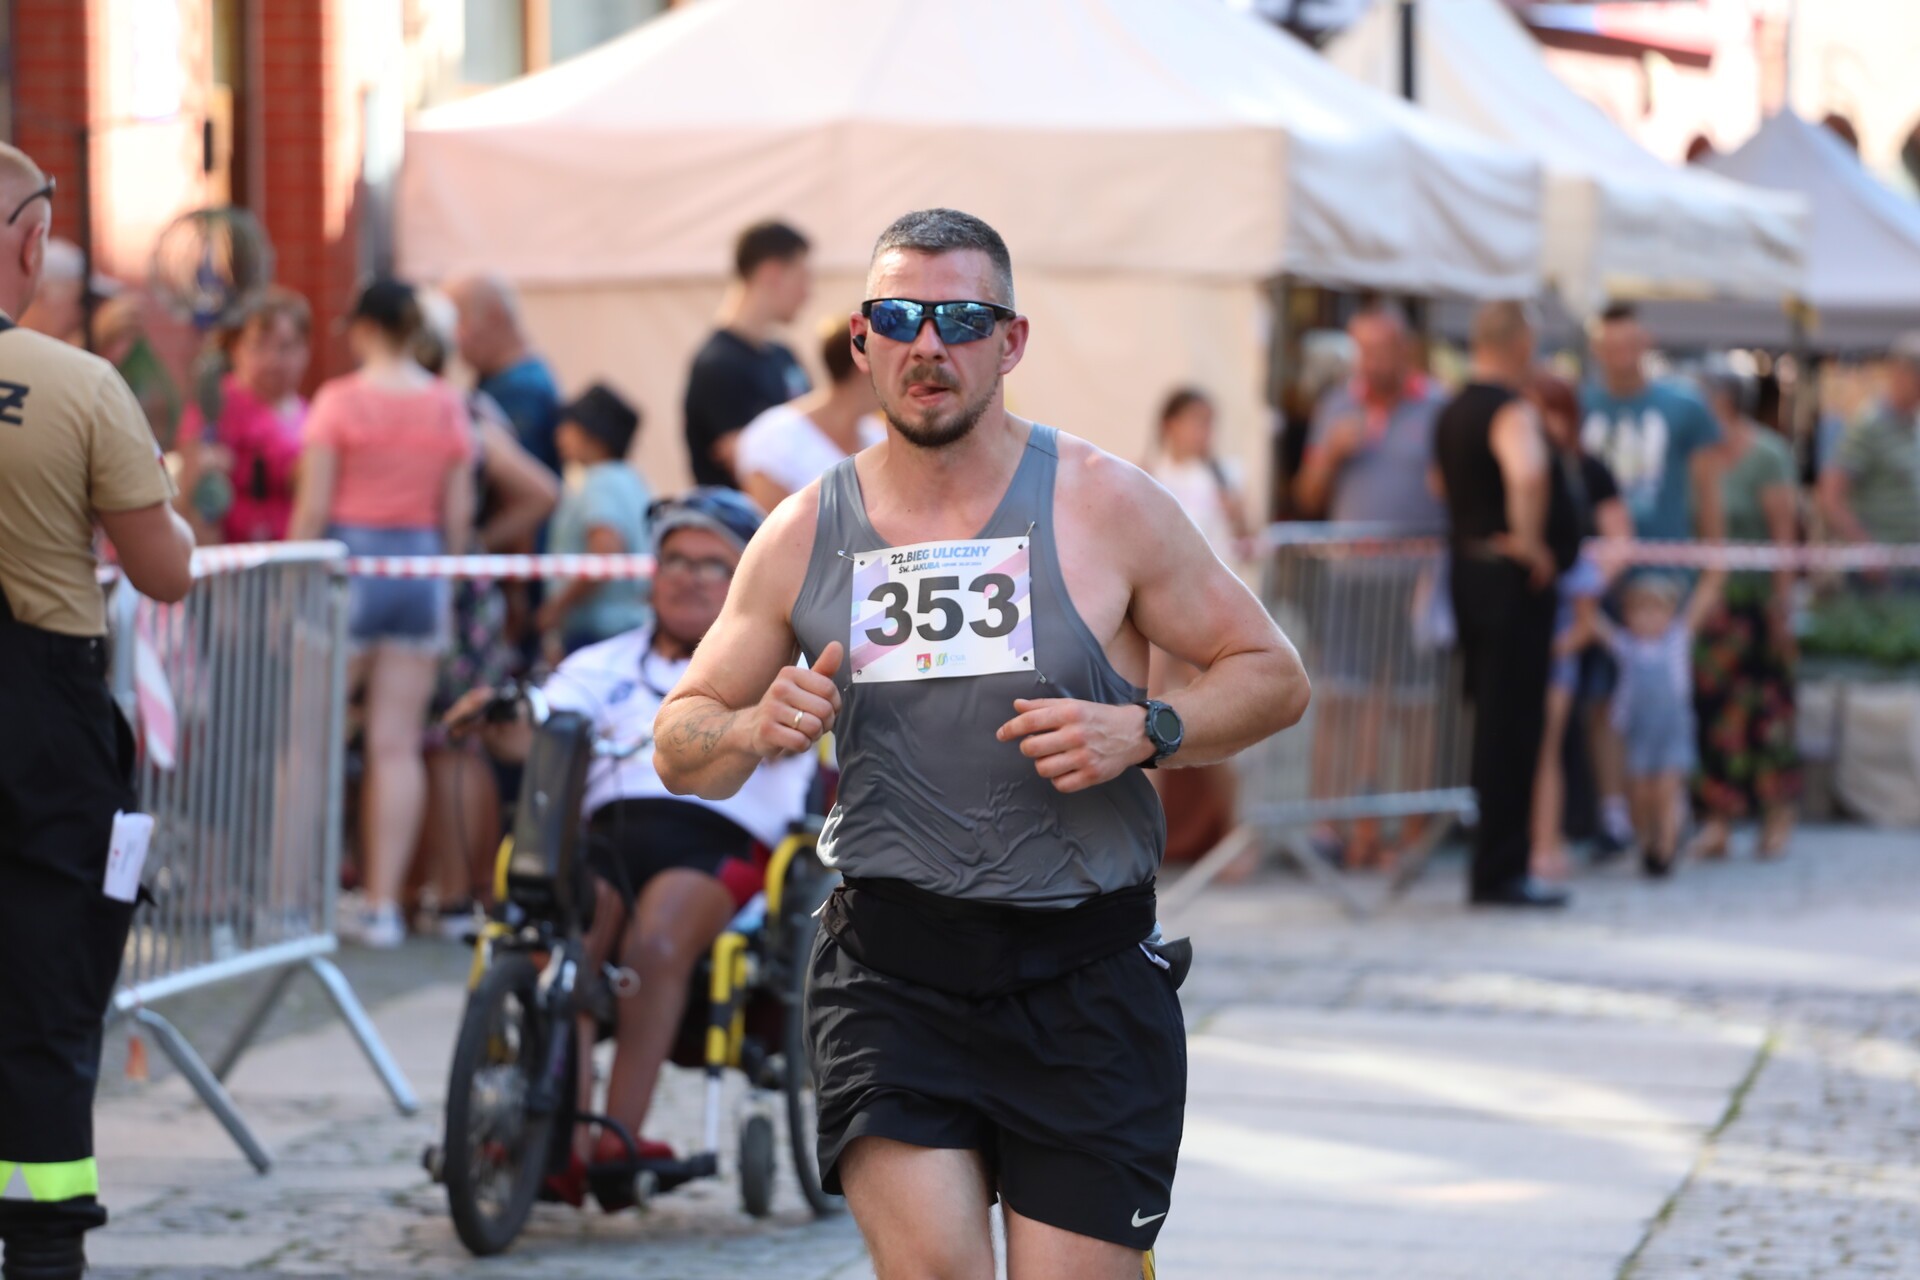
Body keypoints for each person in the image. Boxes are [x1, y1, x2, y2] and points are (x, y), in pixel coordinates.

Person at [655, 208, 1309, 1278]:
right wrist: (744, 725)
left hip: (1083, 970)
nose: (929, 345)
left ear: (1011, 342)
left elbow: (1272, 673)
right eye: (899, 318)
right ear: (860, 339)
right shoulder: (803, 532)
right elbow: (679, 739)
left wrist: (1146, 729)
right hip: (893, 966)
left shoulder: (1105, 502)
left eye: (961, 319)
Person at [445, 489, 812, 1204]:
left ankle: (616, 1137)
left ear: (744, 578)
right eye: (675, 560)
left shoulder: (773, 664)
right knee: (572, 937)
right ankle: (560, 1139)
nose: (689, 577)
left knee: (657, 941)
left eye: (712, 565)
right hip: (608, 833)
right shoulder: (605, 662)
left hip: (720, 835)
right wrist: (497, 715)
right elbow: (538, 721)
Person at [0, 141, 196, 1280]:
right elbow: (163, 572)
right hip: (40, 717)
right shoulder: (77, 384)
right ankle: (40, 1245)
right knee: (47, 988)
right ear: (31, 242)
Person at [288, 278, 476, 948]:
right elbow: (458, 515)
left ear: (364, 328)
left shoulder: (339, 400)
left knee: (309, 737)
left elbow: (313, 507)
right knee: (396, 744)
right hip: (419, 570)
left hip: (349, 565)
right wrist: (445, 580)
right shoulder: (447, 404)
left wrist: (292, 581)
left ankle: (290, 902)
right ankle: (382, 907)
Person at [410, 296, 558, 932]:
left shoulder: (458, 409)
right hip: (457, 592)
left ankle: (457, 893)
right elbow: (540, 491)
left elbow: (540, 492)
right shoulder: (466, 407)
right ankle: (453, 892)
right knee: (446, 743)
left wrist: (475, 545)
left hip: (447, 594)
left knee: (455, 741)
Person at [1295, 305, 1448, 870]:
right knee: (1342, 698)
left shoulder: (1437, 405)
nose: (1374, 362)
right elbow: (1307, 495)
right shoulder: (1337, 404)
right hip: (1351, 579)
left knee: (1414, 708)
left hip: (1415, 581)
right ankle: (1332, 827)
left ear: (1406, 349)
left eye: (1384, 350)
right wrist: (1330, 456)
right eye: (1365, 351)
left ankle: (1409, 832)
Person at [1433, 301, 1570, 908]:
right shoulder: (1509, 409)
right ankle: (1501, 868)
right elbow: (1530, 473)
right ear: (1518, 343)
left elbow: (1443, 485)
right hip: (1507, 583)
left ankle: (1494, 863)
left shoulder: (1452, 409)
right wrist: (1531, 542)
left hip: (1467, 571)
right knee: (1511, 727)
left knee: (1489, 719)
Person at [1579, 302, 1725, 856]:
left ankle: (1667, 813)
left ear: (1645, 343)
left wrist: (1711, 571)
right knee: (1605, 701)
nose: (1620, 355)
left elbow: (1706, 496)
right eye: (1610, 345)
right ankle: (1616, 813)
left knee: (1666, 696)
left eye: (1628, 343)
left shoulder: (1682, 407)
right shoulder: (1582, 404)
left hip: (1663, 582)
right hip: (1599, 577)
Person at [1690, 370, 1800, 861]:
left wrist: (1781, 605)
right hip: (1709, 608)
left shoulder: (1767, 455)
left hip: (1755, 606)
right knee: (1713, 714)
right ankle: (1717, 818)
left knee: (1766, 712)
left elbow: (1784, 534)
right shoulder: (1697, 458)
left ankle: (1776, 814)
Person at [1525, 372, 1629, 883]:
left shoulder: (1582, 472)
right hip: (1542, 622)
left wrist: (1583, 594)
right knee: (1541, 739)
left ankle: (1578, 829)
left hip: (1569, 624)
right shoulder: (1533, 464)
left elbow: (1614, 542)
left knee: (1580, 726)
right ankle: (1541, 839)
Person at [1144, 387, 1255, 865]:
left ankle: (1234, 836)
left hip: (1206, 615)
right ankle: (1146, 840)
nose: (1202, 432)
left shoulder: (1226, 474)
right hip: (1155, 612)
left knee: (1215, 718)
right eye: (1194, 421)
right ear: (1170, 425)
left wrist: (1237, 511)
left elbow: (1249, 539)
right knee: (1144, 718)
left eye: (1208, 422)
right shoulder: (1148, 472)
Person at [1587, 572, 1724, 877]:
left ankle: (1666, 848)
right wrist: (1595, 576)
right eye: (1640, 610)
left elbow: (1704, 598)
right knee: (1640, 794)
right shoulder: (1625, 645)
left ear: (1671, 612)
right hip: (1639, 734)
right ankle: (1646, 841)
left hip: (1671, 732)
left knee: (1665, 791)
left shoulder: (1677, 641)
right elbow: (1590, 617)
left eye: (1656, 609)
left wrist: (1715, 571)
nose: (1649, 618)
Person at [173, 287, 312, 545]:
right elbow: (190, 487)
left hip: (290, 555)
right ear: (235, 348)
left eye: (285, 347)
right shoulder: (217, 404)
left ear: (305, 350)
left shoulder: (311, 415)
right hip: (230, 554)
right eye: (259, 346)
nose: (273, 360)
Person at [683, 220, 813, 487]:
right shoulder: (718, 366)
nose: (807, 294)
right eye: (802, 278)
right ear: (772, 273)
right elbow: (756, 472)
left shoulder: (783, 356)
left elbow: (819, 435)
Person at [538, 383, 652, 655]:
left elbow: (605, 551)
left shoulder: (599, 483)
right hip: (631, 625)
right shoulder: (632, 480)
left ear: (593, 433)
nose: (559, 436)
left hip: (598, 631)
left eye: (568, 427)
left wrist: (557, 607)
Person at [735, 313, 885, 513]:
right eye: (889, 361)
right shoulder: (773, 437)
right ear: (861, 362)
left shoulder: (878, 435)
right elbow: (766, 523)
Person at [448, 273, 563, 475]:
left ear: (495, 316)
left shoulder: (521, 389)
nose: (454, 337)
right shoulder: (504, 377)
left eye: (459, 320)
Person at [1818, 332, 1920, 548]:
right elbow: (1831, 495)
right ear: (1900, 373)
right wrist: (1866, 548)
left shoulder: (1913, 424)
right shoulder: (1869, 425)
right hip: (1882, 561)